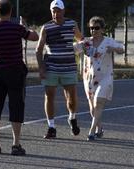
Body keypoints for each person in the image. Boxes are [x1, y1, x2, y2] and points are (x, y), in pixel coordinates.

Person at [0, 0, 38, 155]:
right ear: (10, 11)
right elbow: (34, 37)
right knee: (16, 105)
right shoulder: (17, 28)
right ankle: (16, 144)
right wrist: (25, 26)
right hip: (15, 70)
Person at [36, 0, 83, 139]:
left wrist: (80, 45)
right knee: (49, 96)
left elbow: (81, 39)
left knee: (71, 98)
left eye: (58, 10)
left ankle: (72, 117)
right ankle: (51, 127)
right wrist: (41, 68)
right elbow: (39, 50)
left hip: (68, 66)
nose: (55, 13)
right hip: (51, 67)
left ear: (63, 11)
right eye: (53, 11)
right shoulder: (46, 27)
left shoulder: (72, 24)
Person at [74, 16, 124, 141]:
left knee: (98, 102)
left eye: (96, 28)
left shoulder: (108, 41)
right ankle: (99, 128)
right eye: (91, 28)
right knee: (92, 108)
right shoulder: (87, 42)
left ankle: (91, 132)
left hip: (105, 77)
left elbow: (121, 49)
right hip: (89, 78)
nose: (93, 31)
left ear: (102, 29)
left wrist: (115, 49)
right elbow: (73, 49)